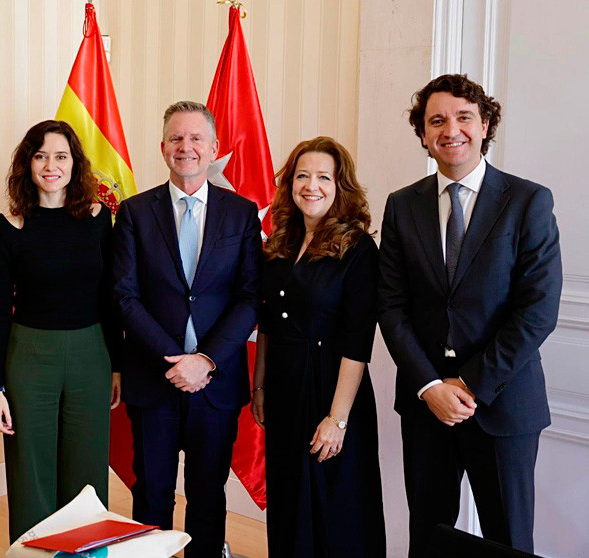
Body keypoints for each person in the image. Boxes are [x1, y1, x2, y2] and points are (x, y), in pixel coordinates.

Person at [378, 74, 562, 555]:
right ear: (423, 134)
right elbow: (391, 307)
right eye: (436, 120)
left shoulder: (528, 201)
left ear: (485, 125)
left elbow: (537, 310)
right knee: (429, 536)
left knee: (510, 539)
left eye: (463, 117)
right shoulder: (402, 206)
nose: (450, 129)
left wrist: (469, 384)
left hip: (504, 405)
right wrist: (430, 386)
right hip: (426, 405)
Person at [112, 101, 261, 557]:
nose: (186, 147)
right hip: (154, 380)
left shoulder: (241, 212)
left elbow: (251, 296)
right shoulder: (135, 212)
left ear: (214, 148)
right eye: (176, 138)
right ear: (162, 148)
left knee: (207, 495)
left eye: (197, 138)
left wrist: (205, 360)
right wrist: (175, 361)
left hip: (214, 384)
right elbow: (125, 296)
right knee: (151, 494)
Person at [0, 120, 121, 542]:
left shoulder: (99, 219)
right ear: (27, 163)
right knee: (31, 475)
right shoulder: (6, 226)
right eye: (40, 155)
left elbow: (111, 298)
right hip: (28, 358)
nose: (50, 165)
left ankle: (87, 552)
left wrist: (117, 366)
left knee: (87, 472)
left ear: (75, 164)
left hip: (91, 356)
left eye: (60, 156)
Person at [250, 137, 385, 557]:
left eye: (323, 177)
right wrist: (259, 388)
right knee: (290, 503)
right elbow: (268, 324)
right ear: (290, 183)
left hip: (333, 390)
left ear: (339, 185)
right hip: (285, 389)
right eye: (302, 176)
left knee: (335, 510)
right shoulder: (278, 244)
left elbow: (358, 340)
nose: (312, 185)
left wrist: (337, 419)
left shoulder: (359, 248)